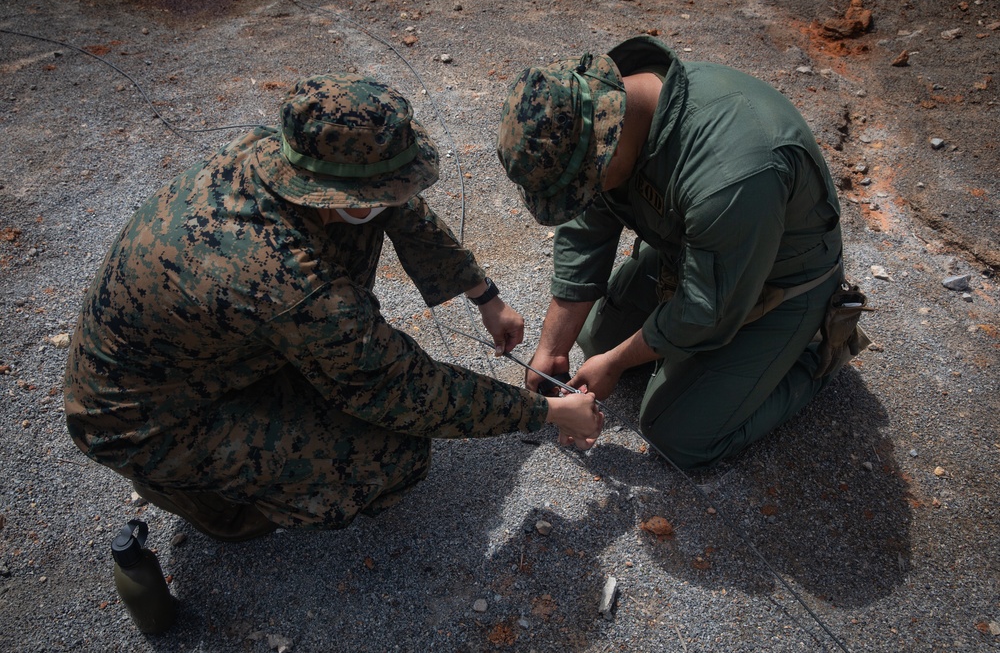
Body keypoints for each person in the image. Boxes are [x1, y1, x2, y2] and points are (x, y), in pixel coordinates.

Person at [64, 73, 603, 542]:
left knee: (347, 368)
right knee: (390, 457)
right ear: (332, 191)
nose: (395, 195)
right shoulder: (286, 280)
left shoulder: (276, 156)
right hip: (142, 418)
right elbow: (403, 387)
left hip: (205, 355)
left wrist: (484, 296)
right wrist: (549, 411)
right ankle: (202, 497)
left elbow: (397, 203)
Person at [496, 36, 851, 469]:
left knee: (679, 434)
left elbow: (707, 308)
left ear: (608, 142)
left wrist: (617, 361)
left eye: (583, 186)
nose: (583, 196)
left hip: (778, 286)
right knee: (591, 339)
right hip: (698, 254)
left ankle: (814, 353)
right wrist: (553, 346)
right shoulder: (613, 115)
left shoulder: (732, 173)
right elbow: (587, 229)